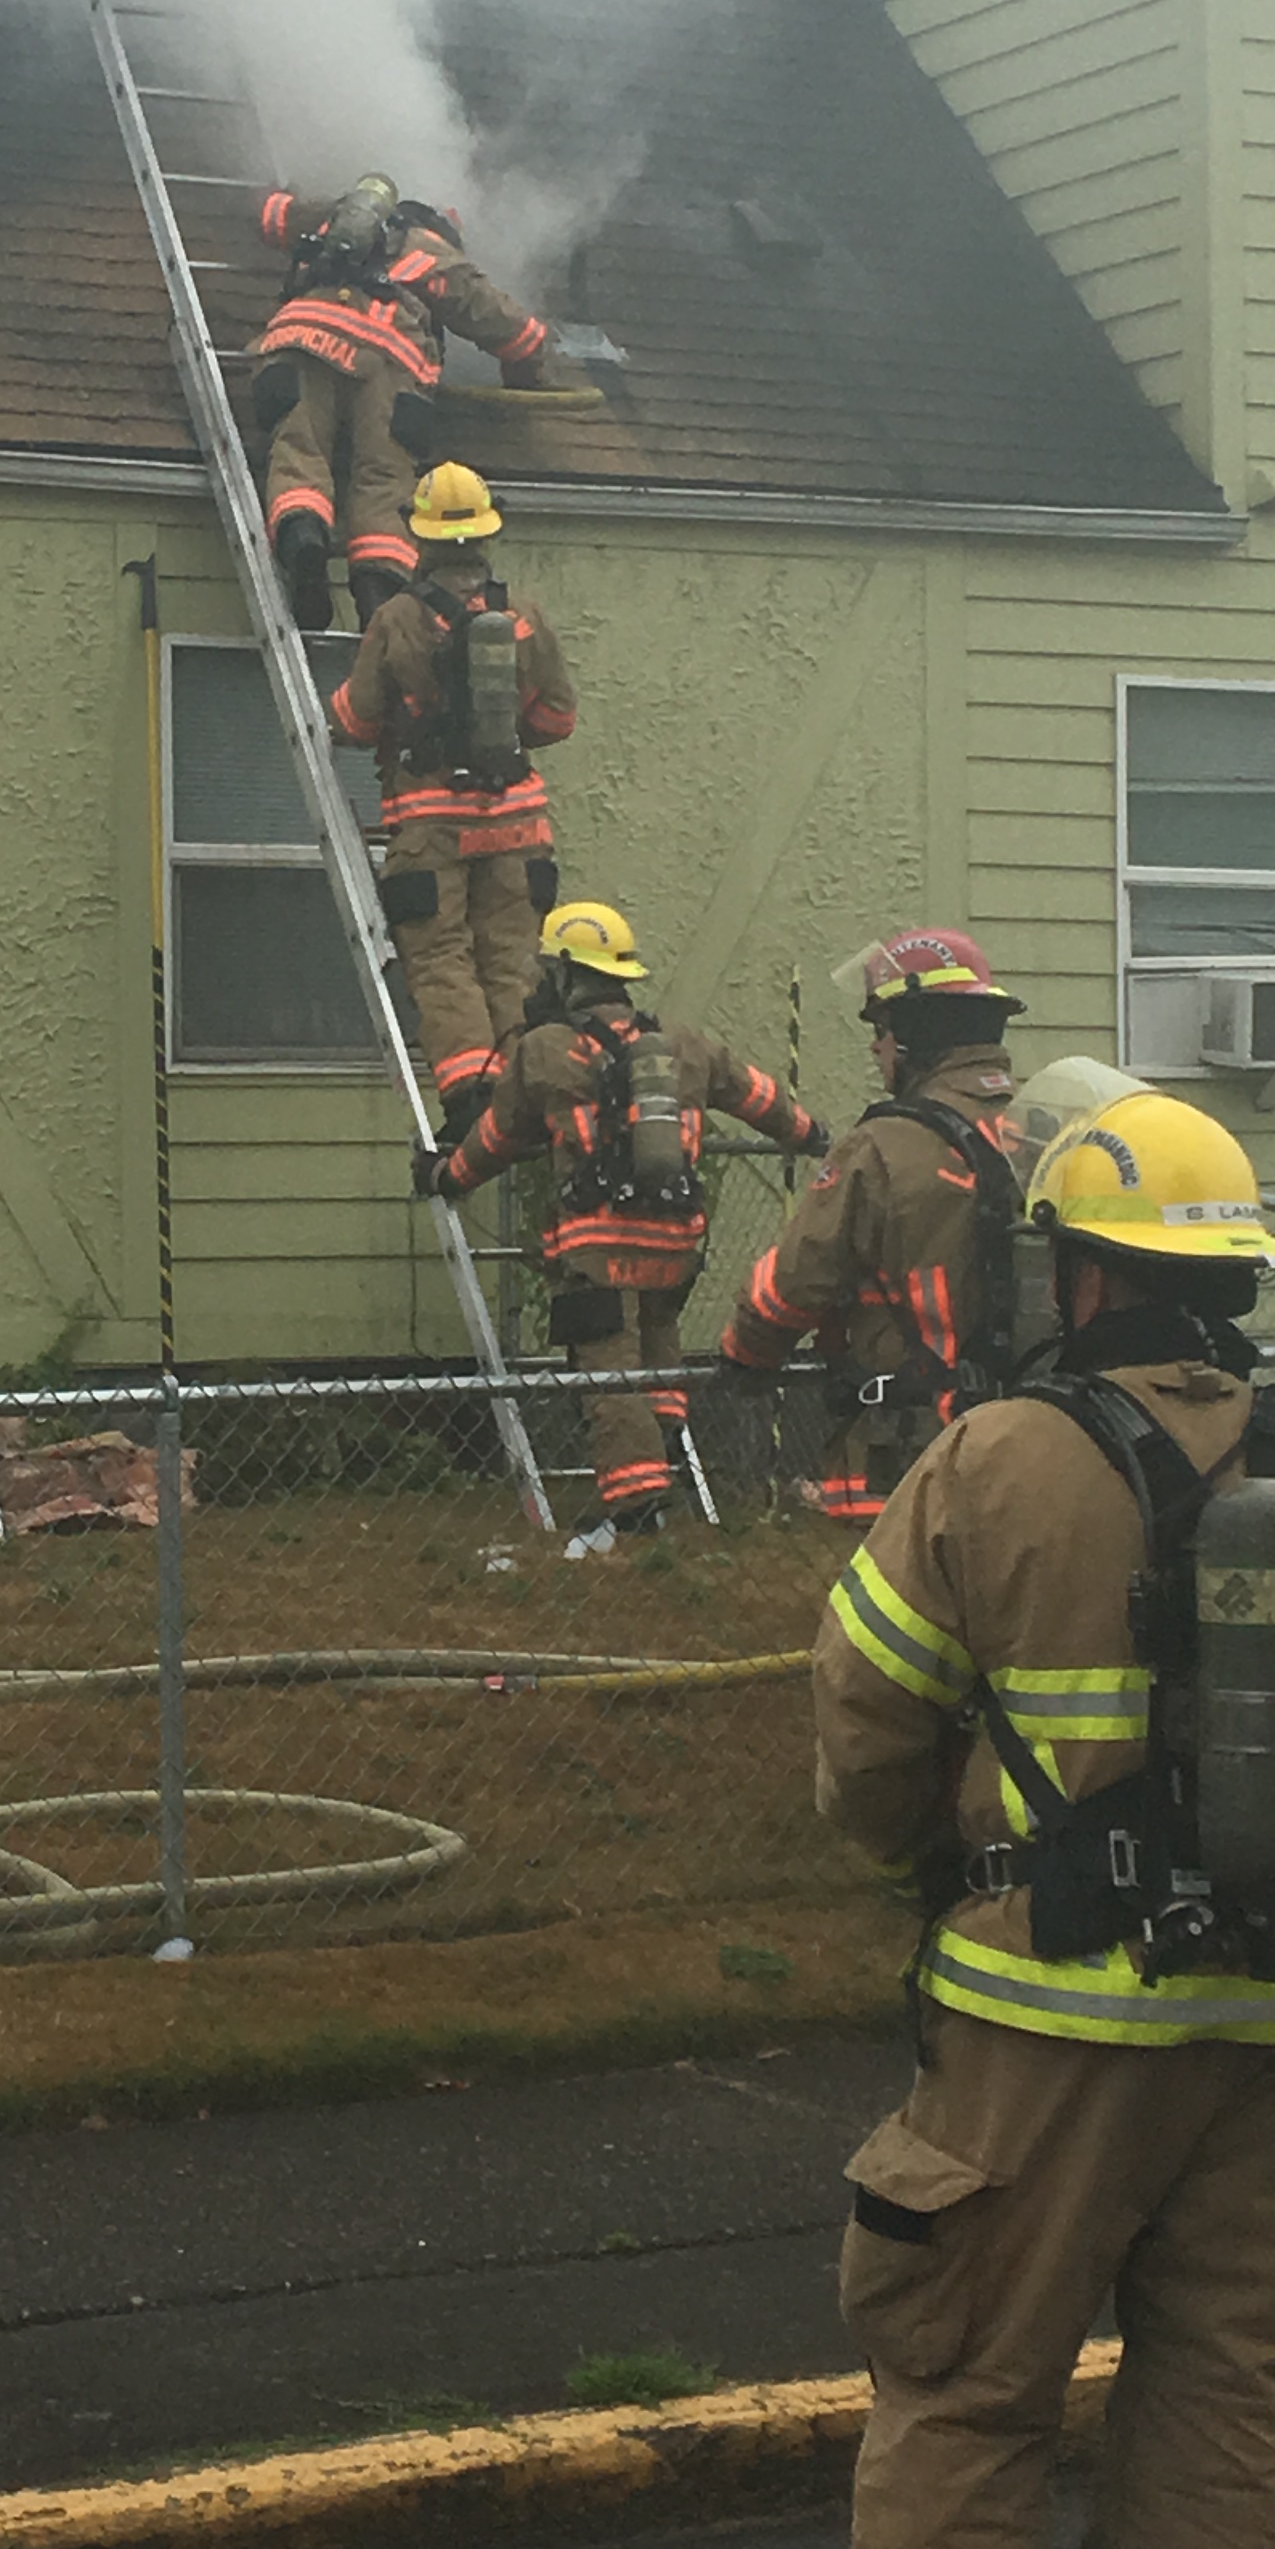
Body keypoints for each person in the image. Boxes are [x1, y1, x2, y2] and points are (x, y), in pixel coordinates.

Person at [798, 1087, 1275, 2549]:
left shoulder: (991, 1460)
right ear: (1231, 1278)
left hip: (1043, 2021)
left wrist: (924, 1870)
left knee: (966, 2366)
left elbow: (864, 1730)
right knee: (1236, 2379)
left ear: (1078, 1275)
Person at [424, 901, 825, 1556]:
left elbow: (492, 1141)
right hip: (675, 1243)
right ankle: (660, 1468)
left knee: (607, 1379)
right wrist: (814, 1137)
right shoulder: (684, 1043)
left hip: (599, 1249)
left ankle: (634, 1518)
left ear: (565, 974)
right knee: (658, 1356)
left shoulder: (546, 1051)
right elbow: (759, 1098)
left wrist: (445, 1177)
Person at [719, 928, 1026, 1529]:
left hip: (903, 1457)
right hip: (1029, 1447)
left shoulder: (881, 1147)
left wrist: (745, 1358)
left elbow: (792, 1283)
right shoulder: (1042, 1134)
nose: (876, 1050)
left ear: (917, 1033)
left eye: (880, 1031)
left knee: (885, 1621)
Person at [327, 464, 575, 1135]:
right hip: (519, 826)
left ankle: (470, 1101)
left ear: (422, 535)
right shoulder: (522, 613)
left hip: (431, 824)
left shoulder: (398, 619)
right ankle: (525, 1103)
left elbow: (354, 722)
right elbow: (557, 720)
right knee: (512, 962)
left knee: (442, 962)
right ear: (487, 533)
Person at [250, 177, 560, 632]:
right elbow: (509, 325)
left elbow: (272, 215)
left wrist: (284, 191)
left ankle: (304, 539)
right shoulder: (429, 249)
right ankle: (378, 600)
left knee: (299, 452)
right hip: (389, 361)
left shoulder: (334, 219)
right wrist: (524, 373)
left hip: (302, 338)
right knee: (384, 479)